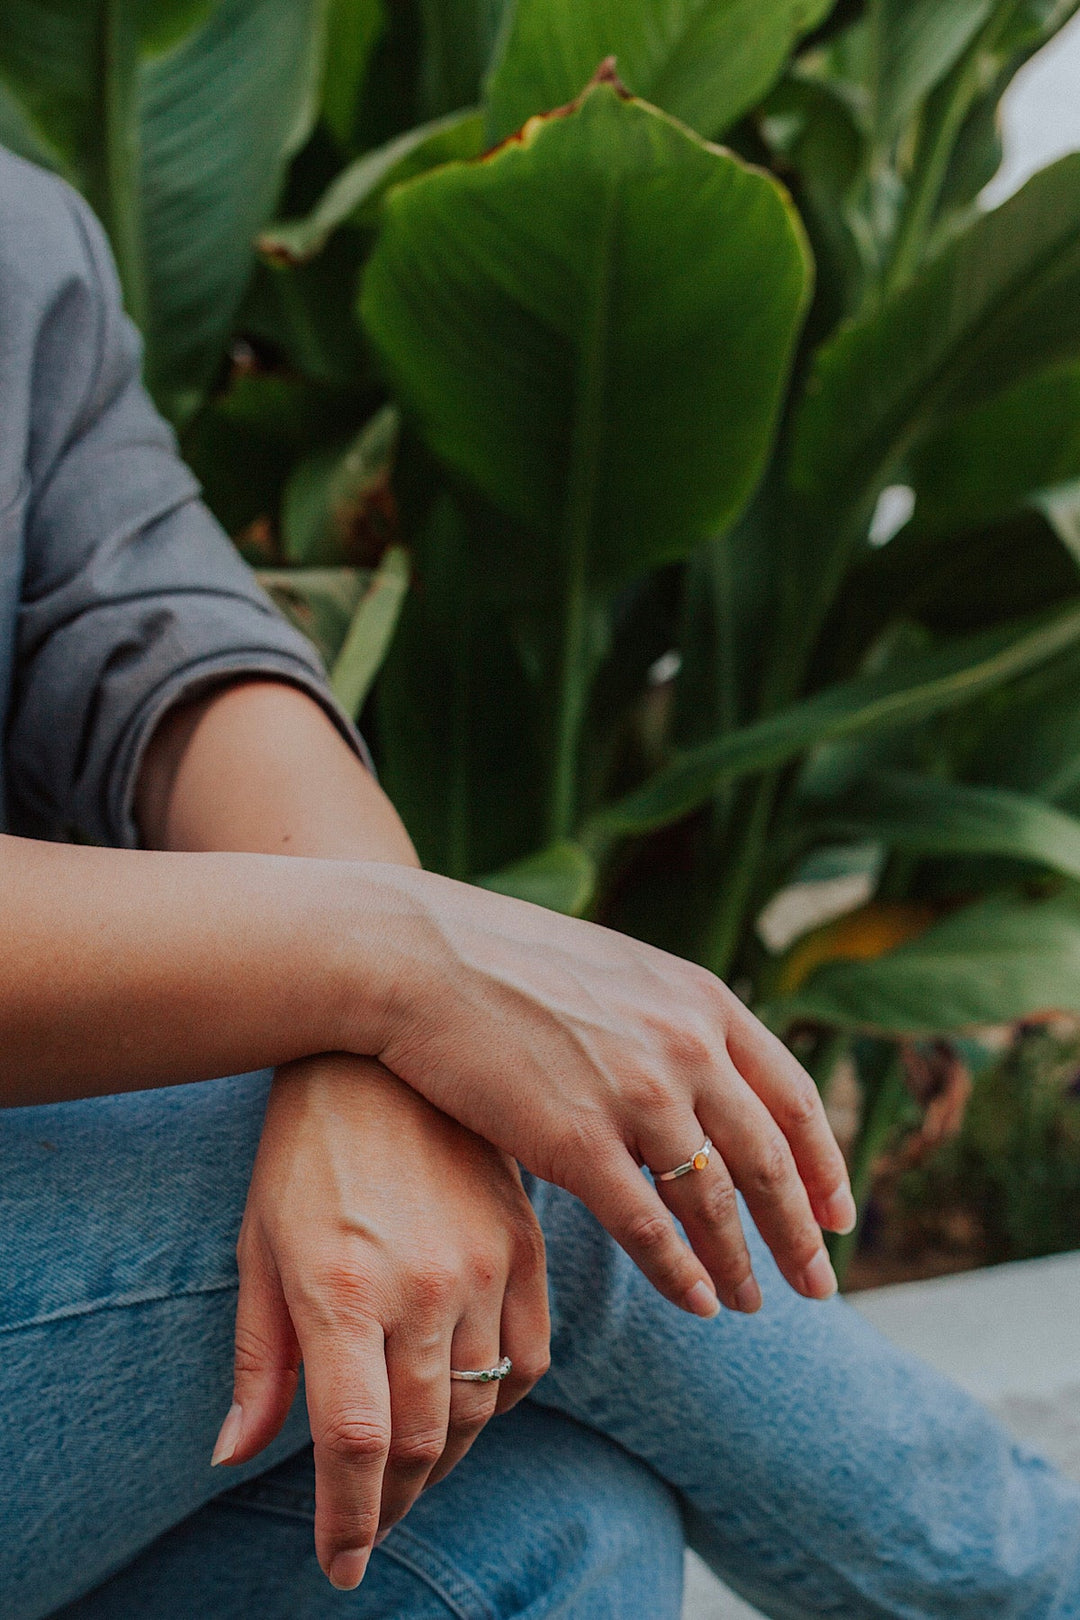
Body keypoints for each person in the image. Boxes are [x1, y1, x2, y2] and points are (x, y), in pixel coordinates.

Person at [3, 143, 1080, 1620]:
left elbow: (167, 648)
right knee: (586, 1170)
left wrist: (372, 1046)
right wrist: (393, 973)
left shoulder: (20, 235)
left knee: (534, 1535)